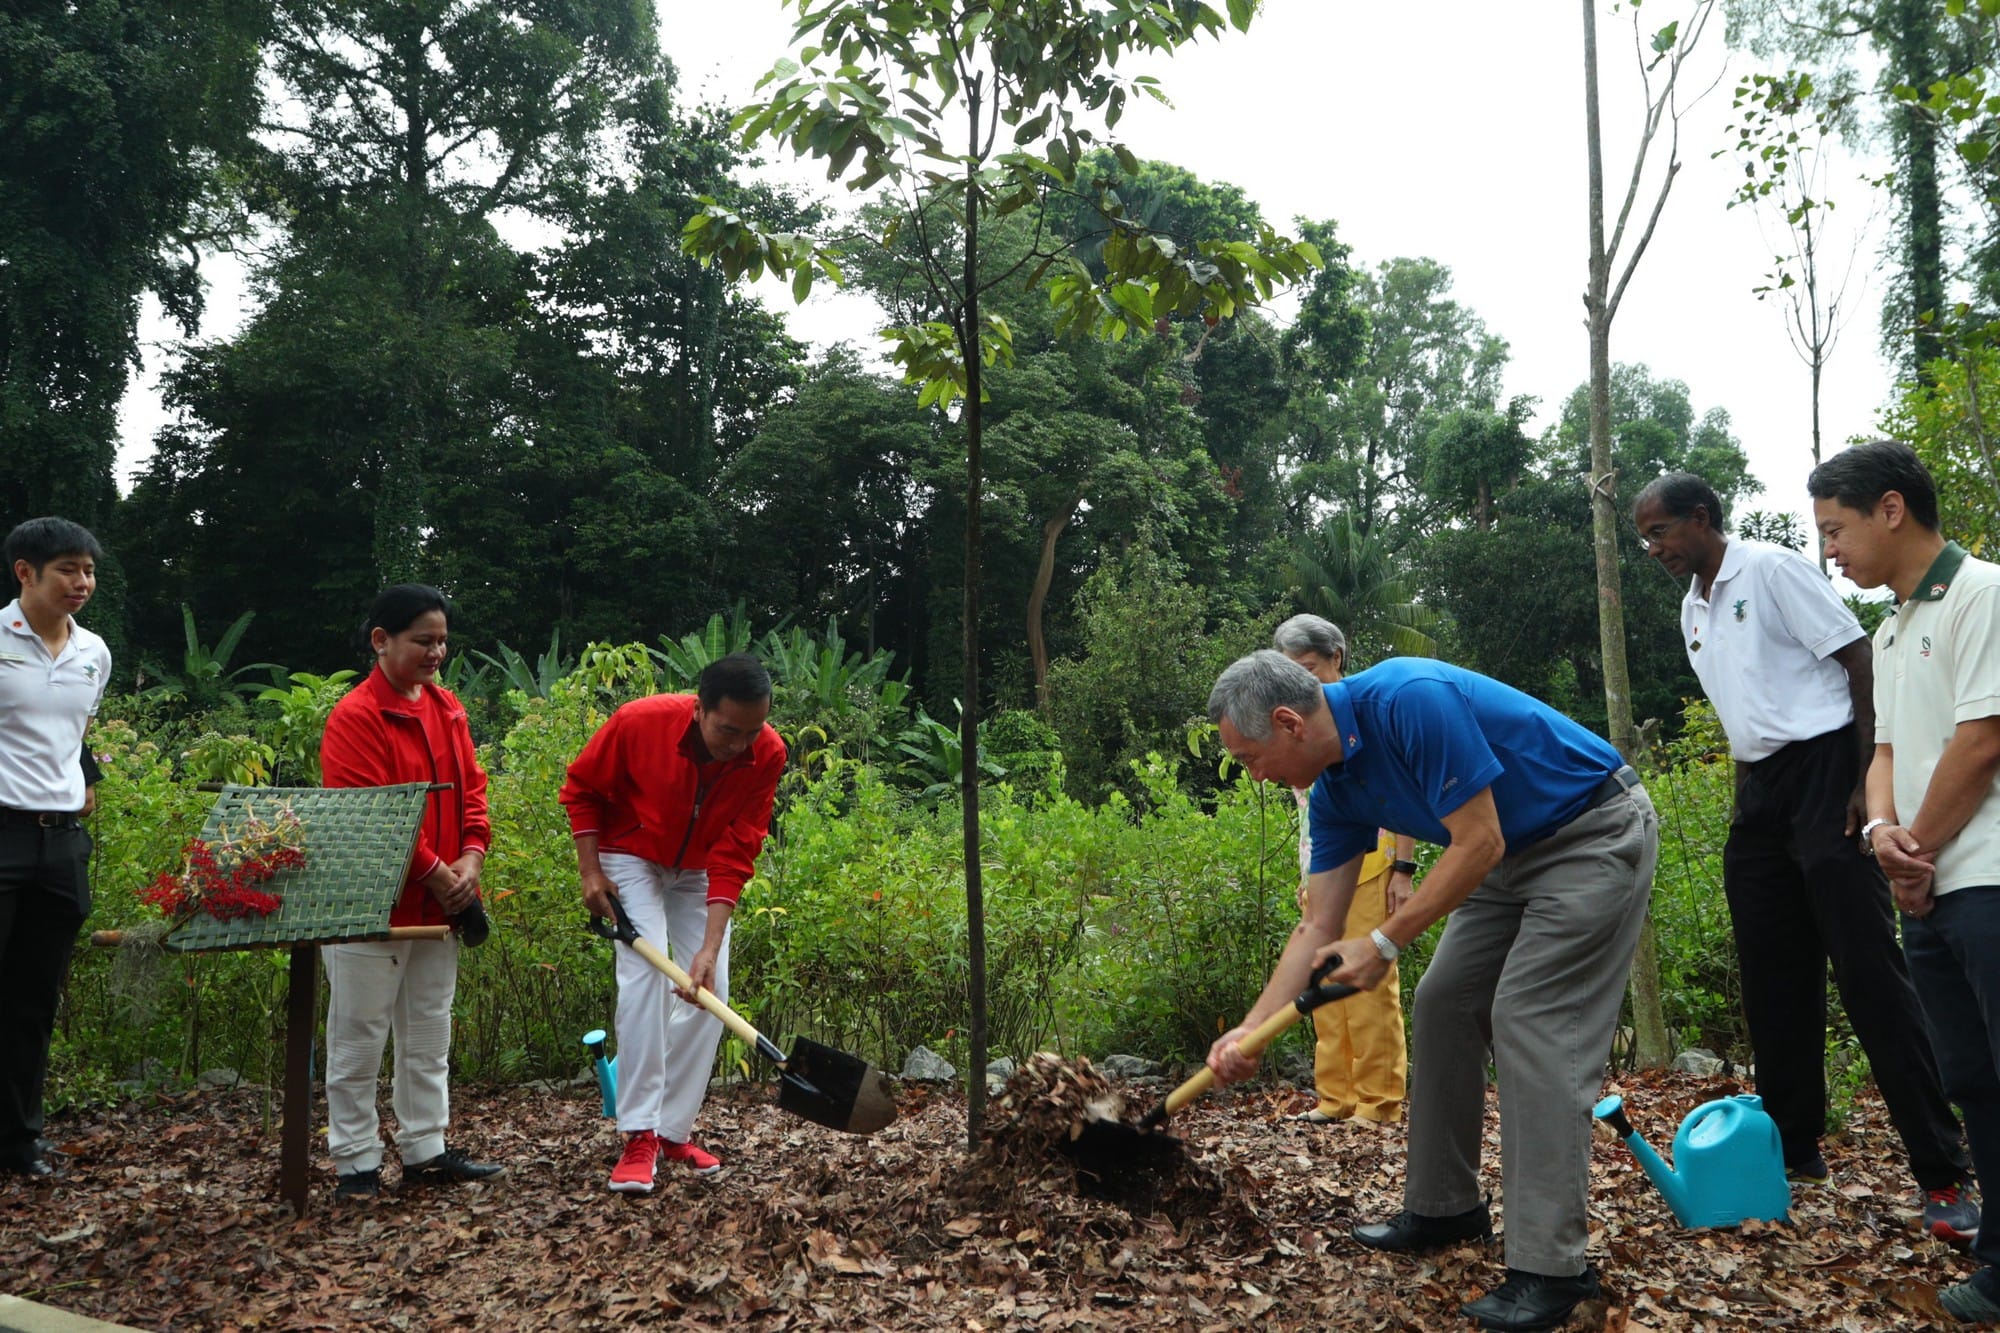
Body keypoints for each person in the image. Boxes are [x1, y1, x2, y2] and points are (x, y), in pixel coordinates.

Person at [1204, 650, 1656, 1333]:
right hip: (1504, 856)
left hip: (1588, 829)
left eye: (1249, 757)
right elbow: (1317, 925)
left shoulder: (1409, 699)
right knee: (1441, 1002)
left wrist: (1384, 942)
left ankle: (1552, 1268)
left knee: (1529, 1017)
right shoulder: (1334, 791)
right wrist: (1249, 1028)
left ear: (1288, 721)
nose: (1255, 775)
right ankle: (1447, 1207)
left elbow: (1477, 840)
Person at [1633, 471, 1975, 1234]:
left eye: (1660, 531)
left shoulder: (1772, 569)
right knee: (1771, 976)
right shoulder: (1693, 608)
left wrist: (1863, 779)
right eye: (1644, 537)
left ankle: (1942, 1169)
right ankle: (1793, 1146)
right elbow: (1746, 720)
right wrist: (1747, 805)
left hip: (1829, 769)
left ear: (1701, 517)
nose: (1652, 547)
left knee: (1868, 972)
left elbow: (1860, 661)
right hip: (1761, 792)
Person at [1809, 442, 2000, 1323]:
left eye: (1836, 529)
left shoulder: (1983, 594)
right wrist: (1885, 833)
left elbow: (1984, 738)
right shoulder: (1888, 629)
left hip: (1988, 876)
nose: (1831, 550)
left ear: (1891, 509)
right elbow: (1883, 751)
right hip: (1929, 887)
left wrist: (1914, 843)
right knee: (1970, 1074)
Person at [562, 653, 785, 1193]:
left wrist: (708, 949)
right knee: (648, 981)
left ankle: (671, 1131)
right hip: (630, 853)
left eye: (751, 732)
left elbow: (737, 850)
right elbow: (582, 789)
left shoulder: (769, 751)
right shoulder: (639, 722)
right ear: (697, 710)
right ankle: (637, 1132)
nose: (740, 745)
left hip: (700, 866)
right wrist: (591, 872)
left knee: (711, 990)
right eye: (728, 731)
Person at [319, 584, 503, 1198]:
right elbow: (370, 816)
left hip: (440, 904)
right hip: (371, 907)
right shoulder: (354, 718)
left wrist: (471, 859)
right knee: (357, 1040)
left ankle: (426, 1148)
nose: (436, 653)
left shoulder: (447, 706)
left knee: (428, 1032)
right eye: (423, 641)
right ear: (381, 641)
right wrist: (438, 874)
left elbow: (472, 792)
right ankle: (355, 1163)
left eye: (442, 641)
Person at [1270, 614, 1412, 1128]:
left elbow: (1399, 797)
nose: (1304, 681)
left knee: (1368, 989)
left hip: (1372, 863)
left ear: (1337, 659)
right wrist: (1305, 875)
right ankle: (1335, 1097)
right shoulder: (1294, 723)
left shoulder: (1364, 710)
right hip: (1321, 869)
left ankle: (1378, 1102)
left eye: (1310, 667)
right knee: (1323, 984)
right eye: (1292, 672)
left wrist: (1404, 866)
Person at [0, 518, 110, 1180]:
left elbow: (76, 734)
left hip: (61, 842)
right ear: (25, 572)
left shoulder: (94, 651)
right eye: (68, 568)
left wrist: (82, 783)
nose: (83, 582)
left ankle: (19, 1143)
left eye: (90, 571)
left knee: (33, 1000)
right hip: (1, 832)